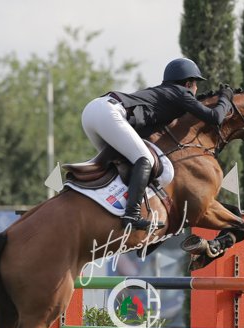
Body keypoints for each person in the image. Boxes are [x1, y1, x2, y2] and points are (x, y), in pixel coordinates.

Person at [81, 57, 234, 230]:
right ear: (188, 83)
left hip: (92, 111)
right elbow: (215, 118)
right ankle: (131, 215)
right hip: (108, 112)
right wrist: (226, 98)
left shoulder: (162, 94)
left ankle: (100, 209)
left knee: (118, 165)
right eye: (196, 84)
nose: (196, 89)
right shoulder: (181, 92)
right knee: (145, 160)